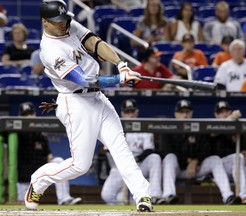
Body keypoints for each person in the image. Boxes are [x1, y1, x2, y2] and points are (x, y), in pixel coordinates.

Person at [25, 0, 152, 212]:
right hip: (75, 102)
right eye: (57, 22)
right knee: (80, 166)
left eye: (65, 19)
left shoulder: (69, 25)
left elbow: (95, 42)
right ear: (45, 22)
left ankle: (143, 196)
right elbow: (83, 80)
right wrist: (119, 79)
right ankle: (39, 180)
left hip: (97, 98)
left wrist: (122, 65)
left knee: (120, 148)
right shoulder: (49, 50)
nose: (63, 24)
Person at [160, 99, 242, 205]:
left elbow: (206, 149)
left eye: (187, 112)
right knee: (170, 157)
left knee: (214, 159)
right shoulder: (169, 128)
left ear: (191, 113)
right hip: (178, 169)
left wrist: (196, 161)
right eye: (181, 112)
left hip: (197, 169)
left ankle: (228, 196)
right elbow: (165, 151)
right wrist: (188, 161)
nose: (184, 115)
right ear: (175, 114)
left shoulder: (198, 127)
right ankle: (169, 195)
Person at [17, 102, 82, 205]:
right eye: (25, 115)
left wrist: (52, 165)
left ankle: (64, 199)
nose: (29, 116)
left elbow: (49, 156)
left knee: (58, 161)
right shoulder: (16, 134)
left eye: (30, 113)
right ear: (20, 117)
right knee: (25, 206)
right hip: (25, 178)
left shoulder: (40, 135)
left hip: (40, 171)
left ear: (34, 114)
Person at [101, 99, 164, 205]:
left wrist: (136, 159)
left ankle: (155, 195)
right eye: (127, 112)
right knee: (106, 196)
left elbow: (149, 150)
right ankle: (125, 206)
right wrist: (124, 161)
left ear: (137, 112)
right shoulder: (113, 128)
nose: (130, 114)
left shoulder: (143, 126)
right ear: (121, 113)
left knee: (155, 158)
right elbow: (107, 152)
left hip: (139, 165)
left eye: (132, 111)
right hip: (119, 168)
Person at [209, 101, 246, 204]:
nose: (224, 114)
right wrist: (230, 119)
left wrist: (244, 162)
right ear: (216, 115)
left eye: (226, 111)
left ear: (230, 112)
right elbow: (214, 133)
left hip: (235, 168)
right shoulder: (211, 125)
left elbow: (244, 153)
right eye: (220, 112)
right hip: (217, 168)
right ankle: (243, 195)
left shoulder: (236, 128)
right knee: (237, 158)